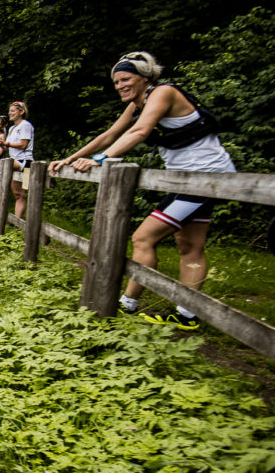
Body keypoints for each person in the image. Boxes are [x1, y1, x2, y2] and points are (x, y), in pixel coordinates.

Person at [49, 51, 236, 329]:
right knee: (189, 245)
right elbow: (110, 134)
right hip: (187, 178)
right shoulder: (138, 102)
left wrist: (101, 159)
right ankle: (187, 314)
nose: (120, 86)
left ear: (146, 77)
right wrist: (72, 158)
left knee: (143, 238)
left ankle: (127, 303)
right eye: (116, 82)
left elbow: (140, 132)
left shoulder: (163, 92)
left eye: (126, 79)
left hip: (204, 177)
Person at [5, 101, 34, 219]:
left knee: (24, 192)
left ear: (21, 112)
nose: (9, 113)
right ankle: (17, 221)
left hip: (26, 162)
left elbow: (23, 145)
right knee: (17, 194)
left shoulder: (25, 125)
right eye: (9, 111)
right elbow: (9, 145)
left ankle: (25, 220)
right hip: (14, 160)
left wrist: (6, 143)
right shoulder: (12, 128)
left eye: (12, 111)